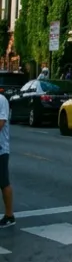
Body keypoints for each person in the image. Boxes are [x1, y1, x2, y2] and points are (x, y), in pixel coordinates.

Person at [0, 85, 12, 228]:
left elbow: (1, 123)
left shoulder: (1, 100)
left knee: (4, 183)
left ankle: (10, 215)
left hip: (1, 149)